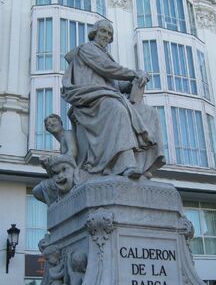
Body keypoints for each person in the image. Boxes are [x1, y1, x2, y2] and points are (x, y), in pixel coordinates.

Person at [62, 19, 164, 179]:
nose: (106, 36)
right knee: (117, 109)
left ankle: (144, 165)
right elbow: (107, 68)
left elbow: (115, 83)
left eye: (109, 34)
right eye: (103, 31)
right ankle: (126, 164)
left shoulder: (106, 55)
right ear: (94, 33)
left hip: (109, 95)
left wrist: (133, 83)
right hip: (91, 99)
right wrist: (134, 73)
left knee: (149, 112)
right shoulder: (87, 49)